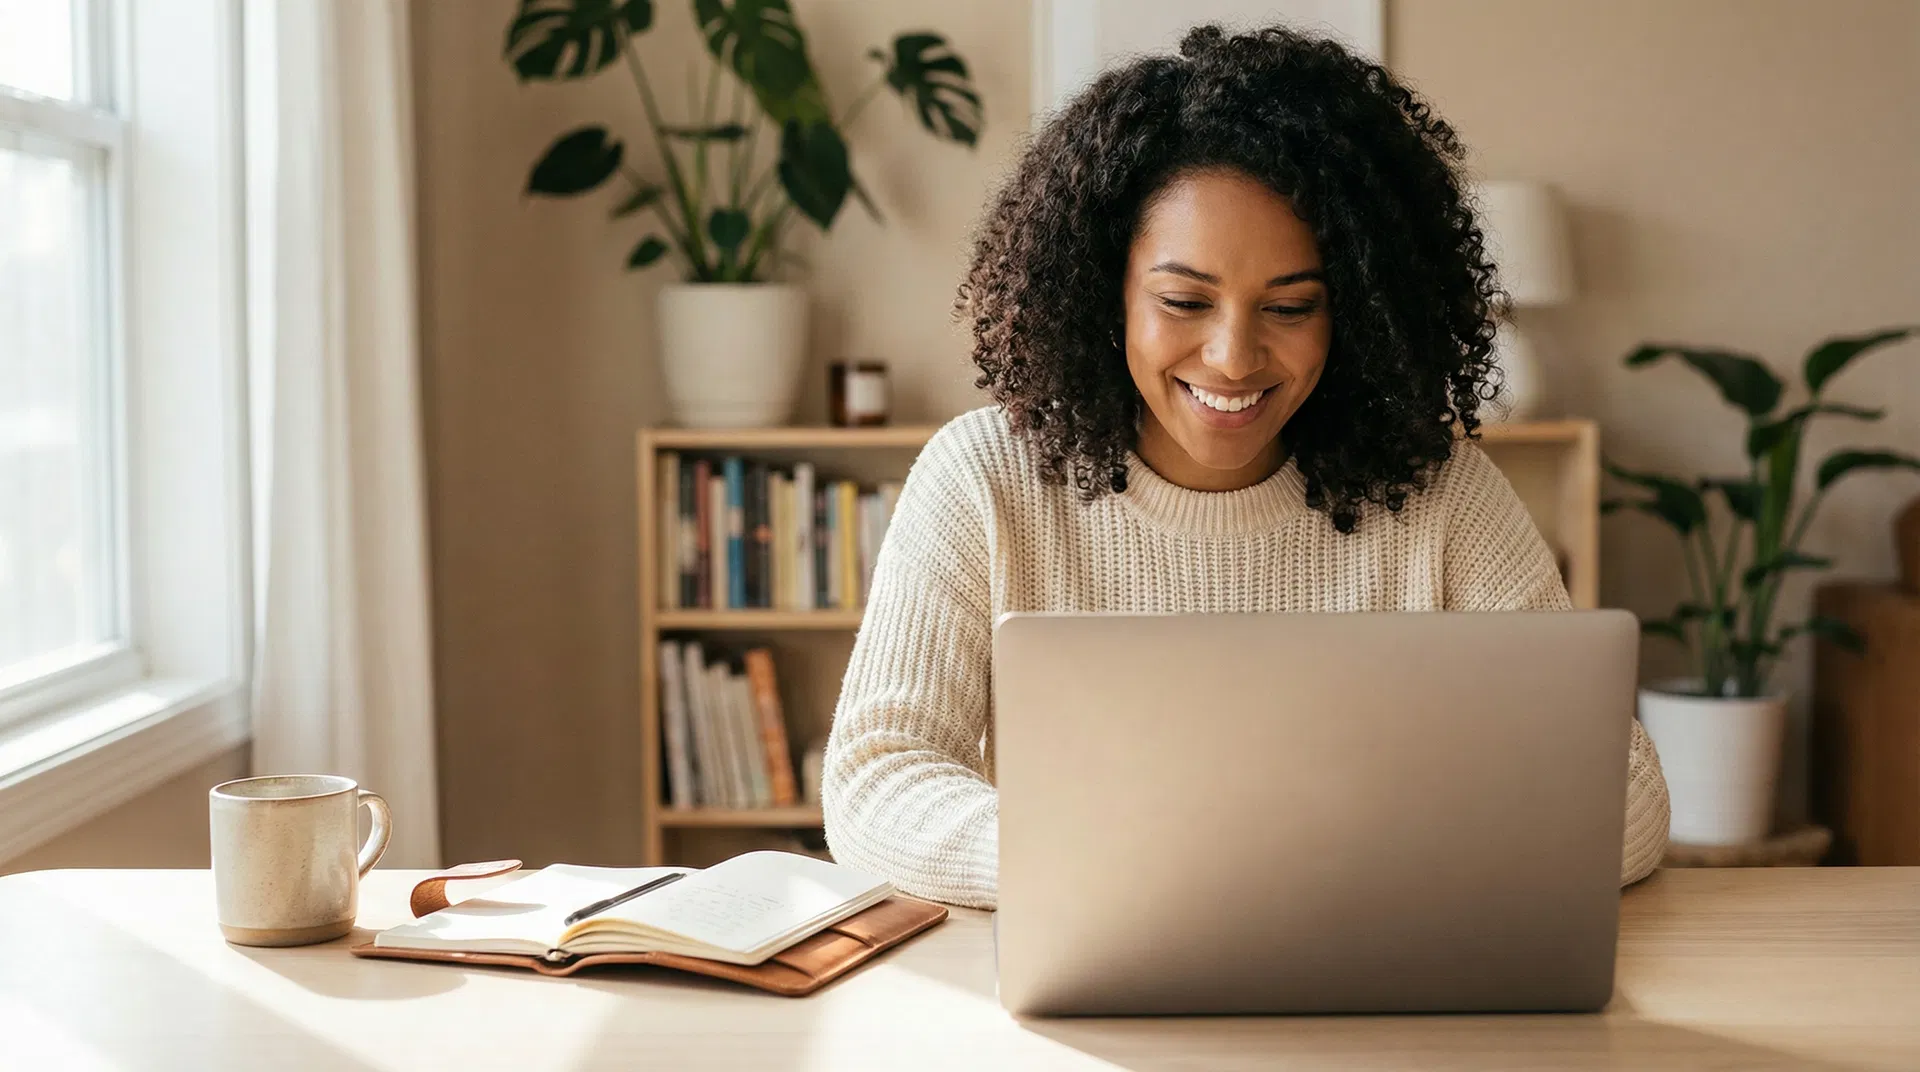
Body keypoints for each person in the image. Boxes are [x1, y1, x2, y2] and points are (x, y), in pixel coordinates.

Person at [821, 23, 1669, 909]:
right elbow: (878, 781)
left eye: (1291, 308)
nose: (1233, 358)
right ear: (1106, 292)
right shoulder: (983, 478)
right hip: (1099, 949)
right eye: (1184, 301)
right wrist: (1110, 859)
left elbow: (1627, 795)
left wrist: (1338, 865)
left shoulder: (1441, 494)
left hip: (1368, 962)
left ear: (1358, 313)